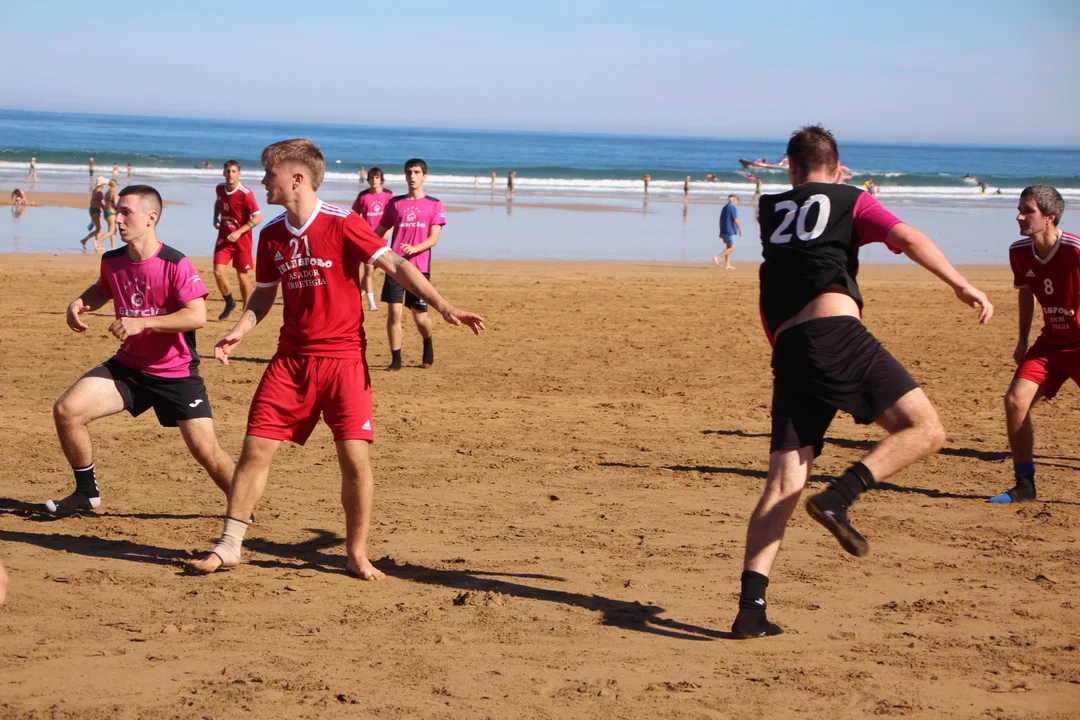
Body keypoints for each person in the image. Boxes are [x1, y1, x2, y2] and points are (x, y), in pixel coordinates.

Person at [731, 125, 993, 639]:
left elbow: (776, 282)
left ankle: (750, 610)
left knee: (783, 484)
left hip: (789, 348)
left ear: (790, 167)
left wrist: (785, 351)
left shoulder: (770, 210)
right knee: (926, 429)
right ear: (838, 169)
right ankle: (839, 498)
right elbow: (908, 237)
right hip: (834, 334)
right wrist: (962, 285)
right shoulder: (852, 198)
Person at [186, 139, 484, 578]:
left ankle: (356, 554)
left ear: (297, 178)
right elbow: (264, 296)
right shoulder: (271, 234)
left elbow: (397, 265)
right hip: (290, 361)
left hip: (344, 362)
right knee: (255, 449)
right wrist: (239, 331)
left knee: (354, 460)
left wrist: (443, 305)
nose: (263, 181)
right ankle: (229, 545)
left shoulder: (343, 223)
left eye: (269, 174)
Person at [46, 185, 235, 516]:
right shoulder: (112, 260)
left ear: (151, 218)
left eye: (125, 213)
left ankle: (242, 504)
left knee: (206, 451)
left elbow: (197, 317)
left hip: (176, 374)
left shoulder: (175, 263)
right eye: (117, 212)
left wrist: (142, 322)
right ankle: (86, 493)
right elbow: (103, 289)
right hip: (130, 367)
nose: (117, 219)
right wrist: (79, 302)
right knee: (67, 410)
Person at [991, 185, 1077, 503]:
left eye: (1028, 211)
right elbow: (1026, 293)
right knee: (1015, 401)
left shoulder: (1075, 250)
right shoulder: (1019, 252)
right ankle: (1025, 485)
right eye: (1019, 210)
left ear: (1050, 217)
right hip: (1050, 343)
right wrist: (1023, 338)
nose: (1019, 216)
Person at [373, 158, 447, 370]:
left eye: (416, 172)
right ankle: (396, 359)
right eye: (409, 172)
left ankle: (427, 341)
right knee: (394, 313)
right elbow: (378, 233)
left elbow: (434, 238)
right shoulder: (395, 204)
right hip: (394, 266)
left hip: (419, 268)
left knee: (420, 317)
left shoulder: (434, 204)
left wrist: (415, 248)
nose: (412, 176)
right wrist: (370, 252)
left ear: (424, 176)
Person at [212, 160, 262, 321]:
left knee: (242, 276)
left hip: (242, 241)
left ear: (239, 174)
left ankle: (246, 311)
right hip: (224, 238)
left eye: (234, 171)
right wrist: (215, 216)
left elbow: (258, 217)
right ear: (223, 173)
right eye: (228, 171)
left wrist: (239, 232)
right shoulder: (220, 188)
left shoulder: (246, 194)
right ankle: (229, 302)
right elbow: (219, 201)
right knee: (218, 272)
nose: (230, 174)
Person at [352, 167, 393, 312]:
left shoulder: (389, 195)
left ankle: (361, 292)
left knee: (376, 268)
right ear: (368, 180)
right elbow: (354, 216)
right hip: (367, 238)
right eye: (371, 178)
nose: (374, 180)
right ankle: (371, 303)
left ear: (381, 179)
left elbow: (394, 215)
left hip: (382, 238)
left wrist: (389, 231)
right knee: (368, 270)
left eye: (376, 177)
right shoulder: (363, 196)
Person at [78, 177, 109, 252]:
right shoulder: (100, 193)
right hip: (95, 210)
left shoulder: (95, 190)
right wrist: (107, 210)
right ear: (102, 184)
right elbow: (101, 203)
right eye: (104, 183)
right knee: (99, 229)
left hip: (92, 209)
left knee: (98, 228)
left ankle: (98, 245)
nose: (105, 184)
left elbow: (95, 202)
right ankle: (84, 240)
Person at [712, 194, 741, 269]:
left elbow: (720, 219)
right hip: (730, 229)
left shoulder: (725, 207)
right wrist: (740, 228)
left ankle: (727, 264)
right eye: (737, 200)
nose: (737, 202)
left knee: (728, 247)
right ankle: (717, 257)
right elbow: (735, 219)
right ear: (734, 200)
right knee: (733, 247)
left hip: (724, 229)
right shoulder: (732, 207)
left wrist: (721, 230)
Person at [99, 179, 120, 250]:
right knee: (111, 231)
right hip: (112, 213)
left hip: (106, 213)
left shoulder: (107, 192)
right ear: (115, 185)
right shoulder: (114, 193)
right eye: (117, 185)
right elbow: (116, 204)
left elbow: (102, 202)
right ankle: (97, 241)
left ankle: (113, 247)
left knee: (113, 230)